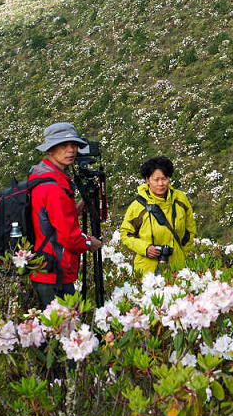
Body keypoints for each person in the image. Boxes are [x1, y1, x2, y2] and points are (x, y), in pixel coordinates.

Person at [28, 122, 103, 309]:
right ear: (50, 150)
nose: (71, 150)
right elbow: (68, 238)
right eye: (63, 146)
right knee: (66, 331)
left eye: (74, 145)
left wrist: (76, 209)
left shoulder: (41, 175)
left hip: (44, 266)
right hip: (54, 271)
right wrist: (89, 243)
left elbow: (49, 217)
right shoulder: (54, 187)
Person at [119, 156, 196, 276]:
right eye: (156, 180)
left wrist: (182, 256)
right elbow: (125, 234)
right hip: (147, 272)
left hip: (177, 269)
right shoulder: (138, 207)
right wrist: (145, 248)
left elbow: (189, 231)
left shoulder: (180, 200)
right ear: (147, 180)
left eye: (164, 179)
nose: (161, 184)